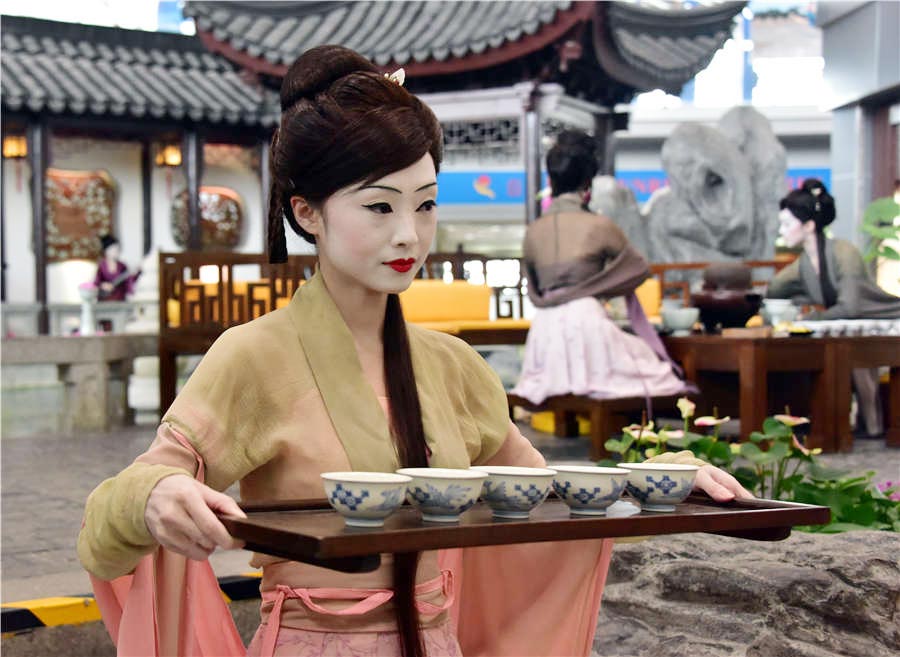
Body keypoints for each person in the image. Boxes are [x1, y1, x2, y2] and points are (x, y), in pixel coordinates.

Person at [78, 47, 750, 657]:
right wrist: (156, 494)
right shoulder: (253, 356)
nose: (410, 233)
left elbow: (543, 497)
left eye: (425, 205)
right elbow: (119, 505)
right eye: (379, 207)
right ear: (306, 211)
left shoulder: (450, 364)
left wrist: (658, 480)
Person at [513, 130, 690, 406]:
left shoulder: (533, 231)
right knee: (657, 371)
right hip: (588, 326)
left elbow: (533, 285)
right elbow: (638, 268)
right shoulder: (599, 225)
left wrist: (563, 295)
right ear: (588, 182)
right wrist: (594, 289)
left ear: (551, 179)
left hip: (544, 332)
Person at [767, 178, 900, 437]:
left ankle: (870, 426)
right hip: (846, 329)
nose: (781, 231)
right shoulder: (803, 264)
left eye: (786, 224)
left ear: (808, 225)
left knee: (858, 354)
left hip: (882, 321)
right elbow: (774, 289)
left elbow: (849, 306)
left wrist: (813, 317)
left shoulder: (844, 252)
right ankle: (825, 423)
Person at [94, 234, 141, 301]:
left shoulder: (122, 266)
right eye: (113, 250)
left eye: (117, 249)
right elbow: (96, 283)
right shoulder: (101, 266)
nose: (116, 252)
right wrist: (103, 285)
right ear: (106, 251)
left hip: (120, 299)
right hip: (104, 300)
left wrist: (135, 275)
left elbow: (129, 282)